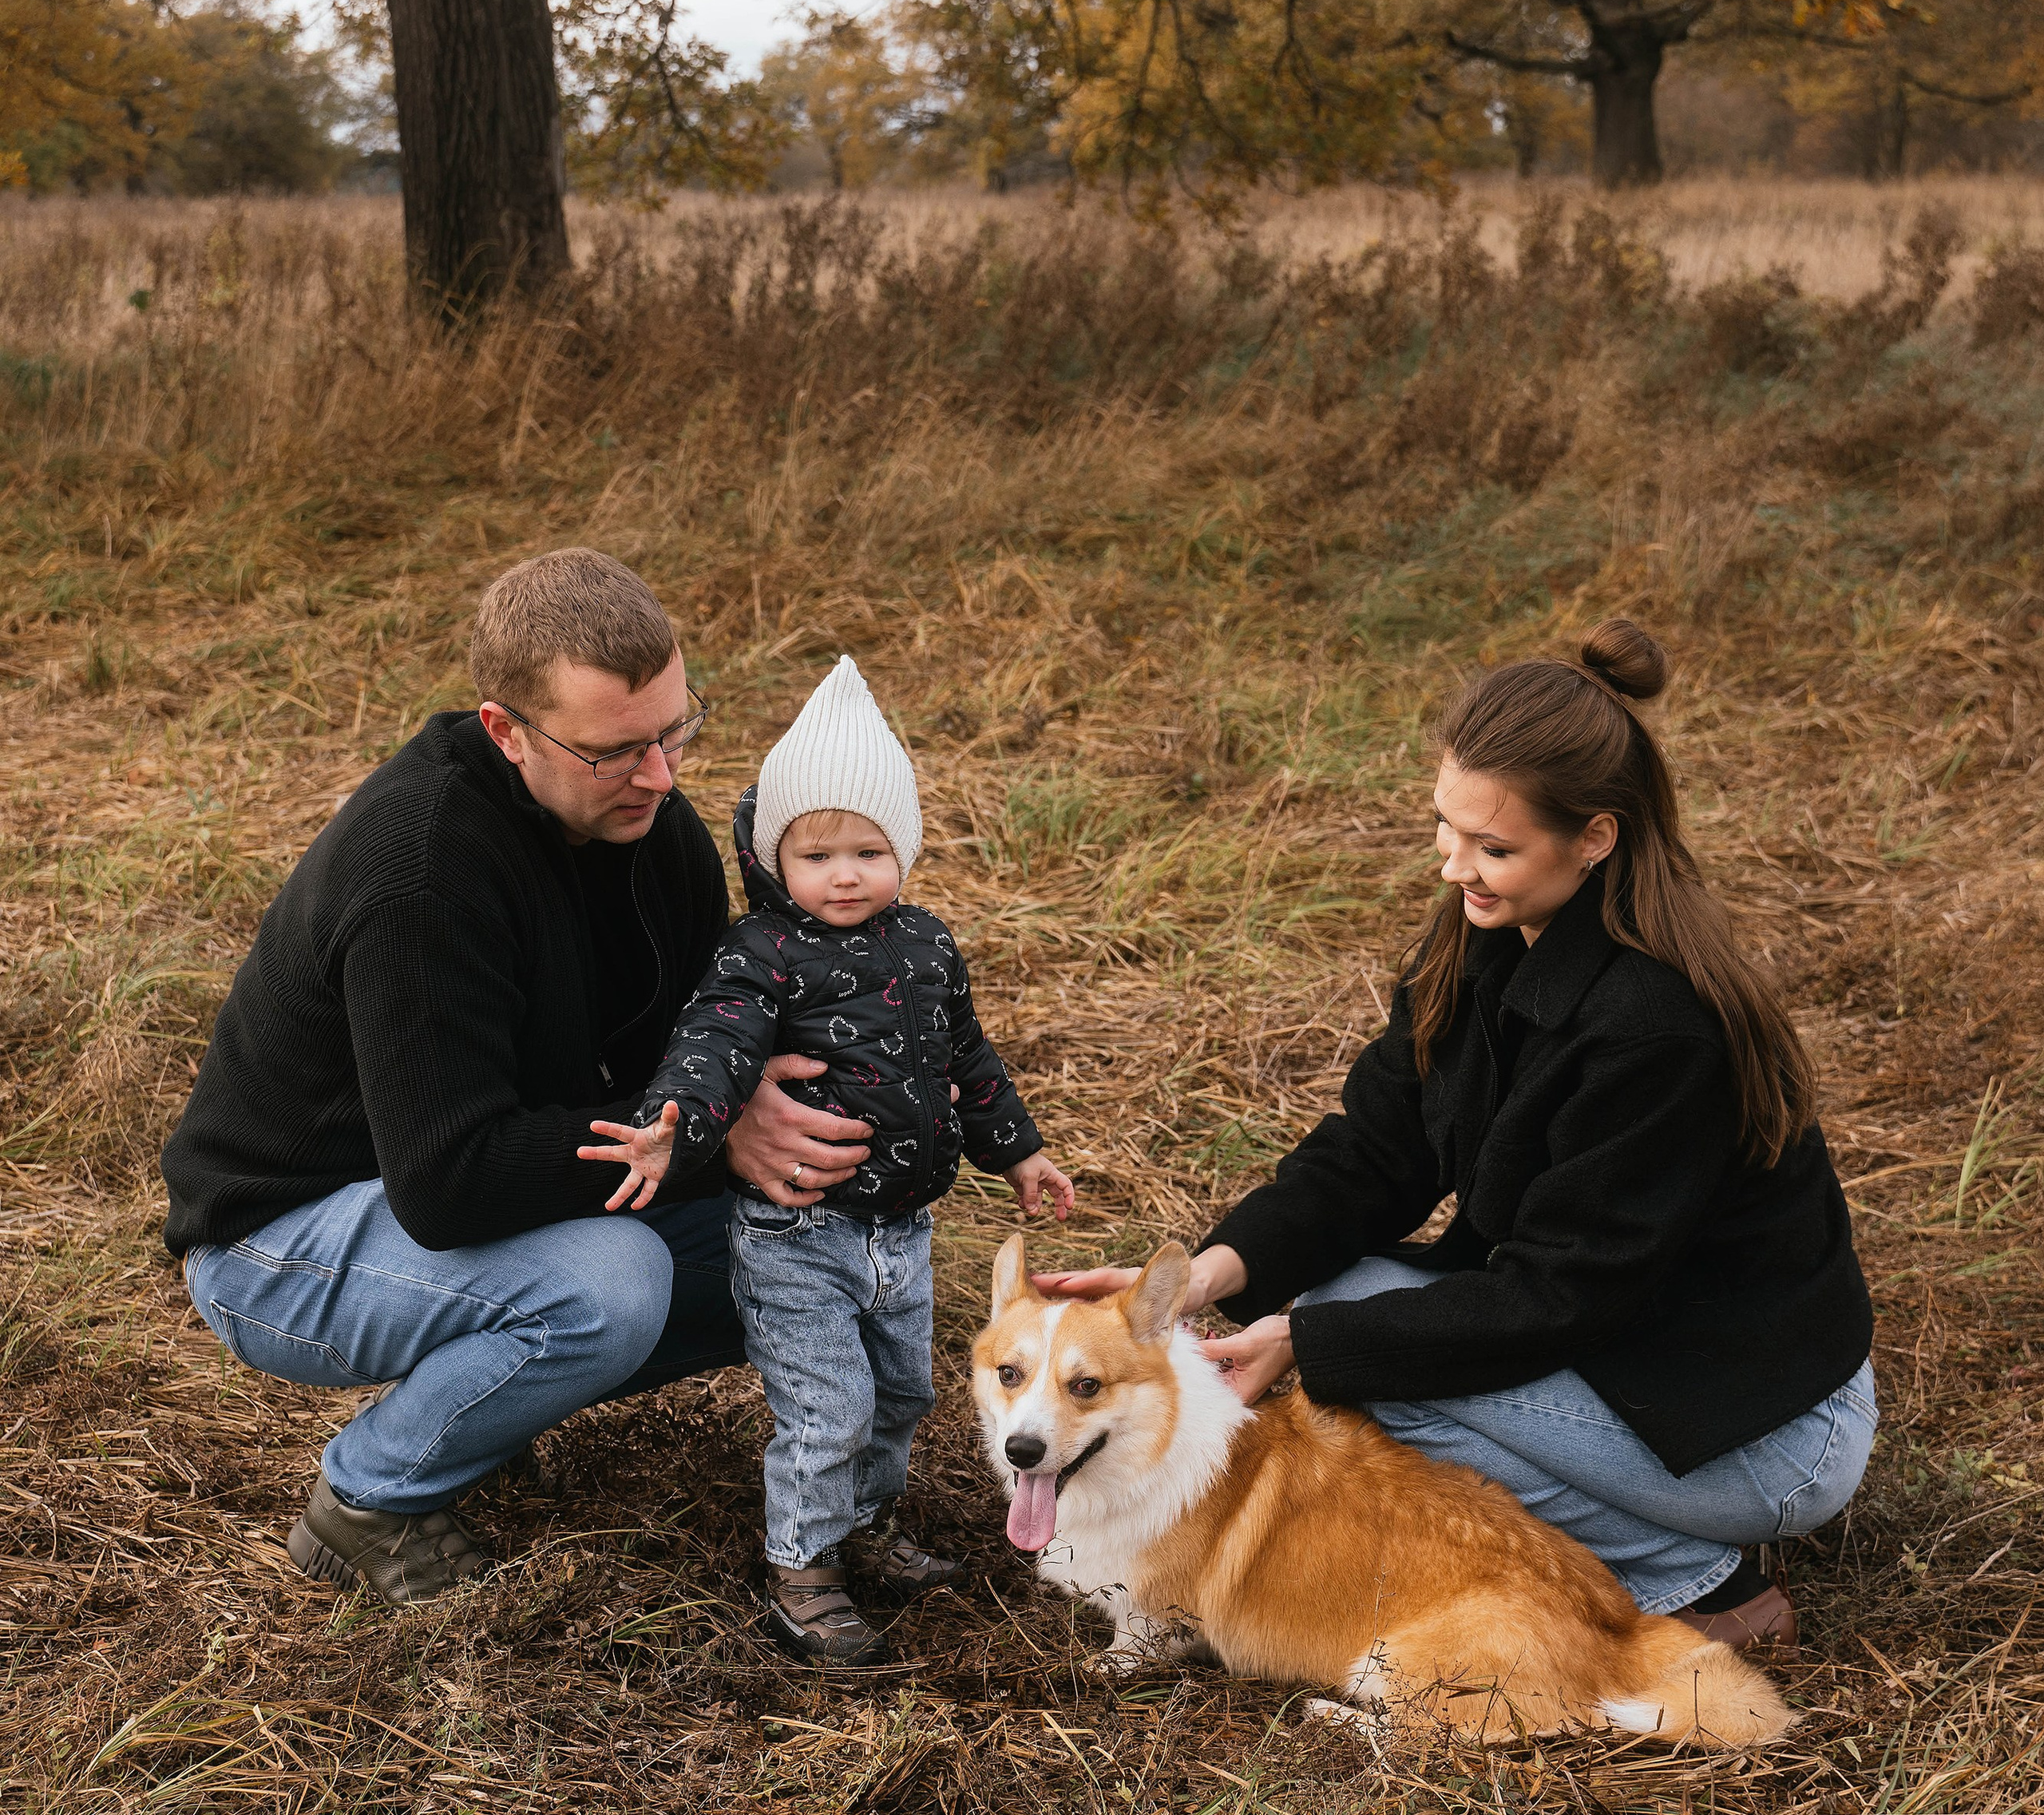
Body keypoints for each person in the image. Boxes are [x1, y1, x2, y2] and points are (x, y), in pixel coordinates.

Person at [1040, 619, 1875, 1654]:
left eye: (1493, 847)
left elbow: (1566, 1292)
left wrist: (1309, 1345)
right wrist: (1211, 1278)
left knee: (1369, 1363)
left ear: (1598, 837)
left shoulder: (1661, 1028)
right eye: (1447, 829)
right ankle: (1632, 1542)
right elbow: (1379, 1146)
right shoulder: (1488, 932)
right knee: (1349, 1317)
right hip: (1637, 1356)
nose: (1456, 868)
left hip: (1766, 1422)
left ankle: (1698, 1584)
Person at [164, 549, 880, 1604]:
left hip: (448, 1207)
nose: (661, 774)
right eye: (614, 750)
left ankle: (483, 1407)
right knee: (611, 1287)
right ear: (506, 731)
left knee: (814, 1234)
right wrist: (705, 1132)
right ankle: (368, 1496)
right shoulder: (421, 876)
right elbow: (452, 1183)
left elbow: (677, 1068)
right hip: (280, 1243)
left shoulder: (656, 833)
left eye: (674, 730)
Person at [586, 653, 1076, 1664]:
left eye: (867, 850)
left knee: (904, 1394)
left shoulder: (930, 945)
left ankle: (868, 1527)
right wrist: (679, 1117)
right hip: (798, 1231)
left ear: (903, 848)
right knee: (831, 1405)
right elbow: (715, 1045)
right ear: (774, 863)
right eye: (816, 856)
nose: (844, 874)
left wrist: (1018, 1153)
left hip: (902, 1229)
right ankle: (802, 1567)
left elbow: (968, 1058)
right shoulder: (759, 953)